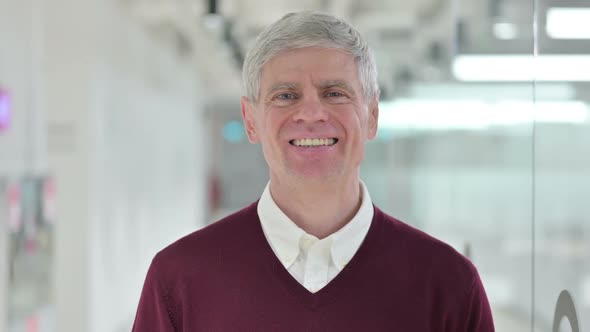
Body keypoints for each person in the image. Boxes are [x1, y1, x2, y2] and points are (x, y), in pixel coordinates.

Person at [132, 11, 495, 331]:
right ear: (250, 120)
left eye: (335, 93)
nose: (311, 113)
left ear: (371, 116)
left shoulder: (448, 285)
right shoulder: (179, 281)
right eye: (286, 95)